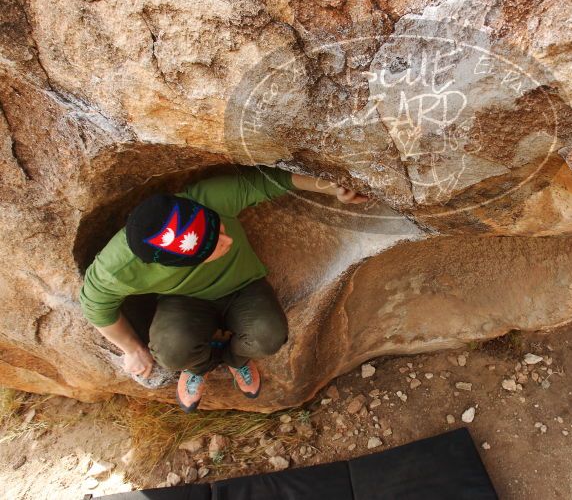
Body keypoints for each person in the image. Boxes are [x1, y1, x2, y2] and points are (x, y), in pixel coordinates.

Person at [79, 167, 367, 412]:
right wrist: (132, 349)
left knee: (269, 336)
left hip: (243, 284)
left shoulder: (205, 198)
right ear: (177, 264)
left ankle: (235, 359)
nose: (226, 241)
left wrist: (333, 188)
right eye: (212, 247)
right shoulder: (118, 268)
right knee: (171, 351)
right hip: (184, 299)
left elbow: (269, 181)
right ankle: (198, 367)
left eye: (217, 229)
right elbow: (95, 304)